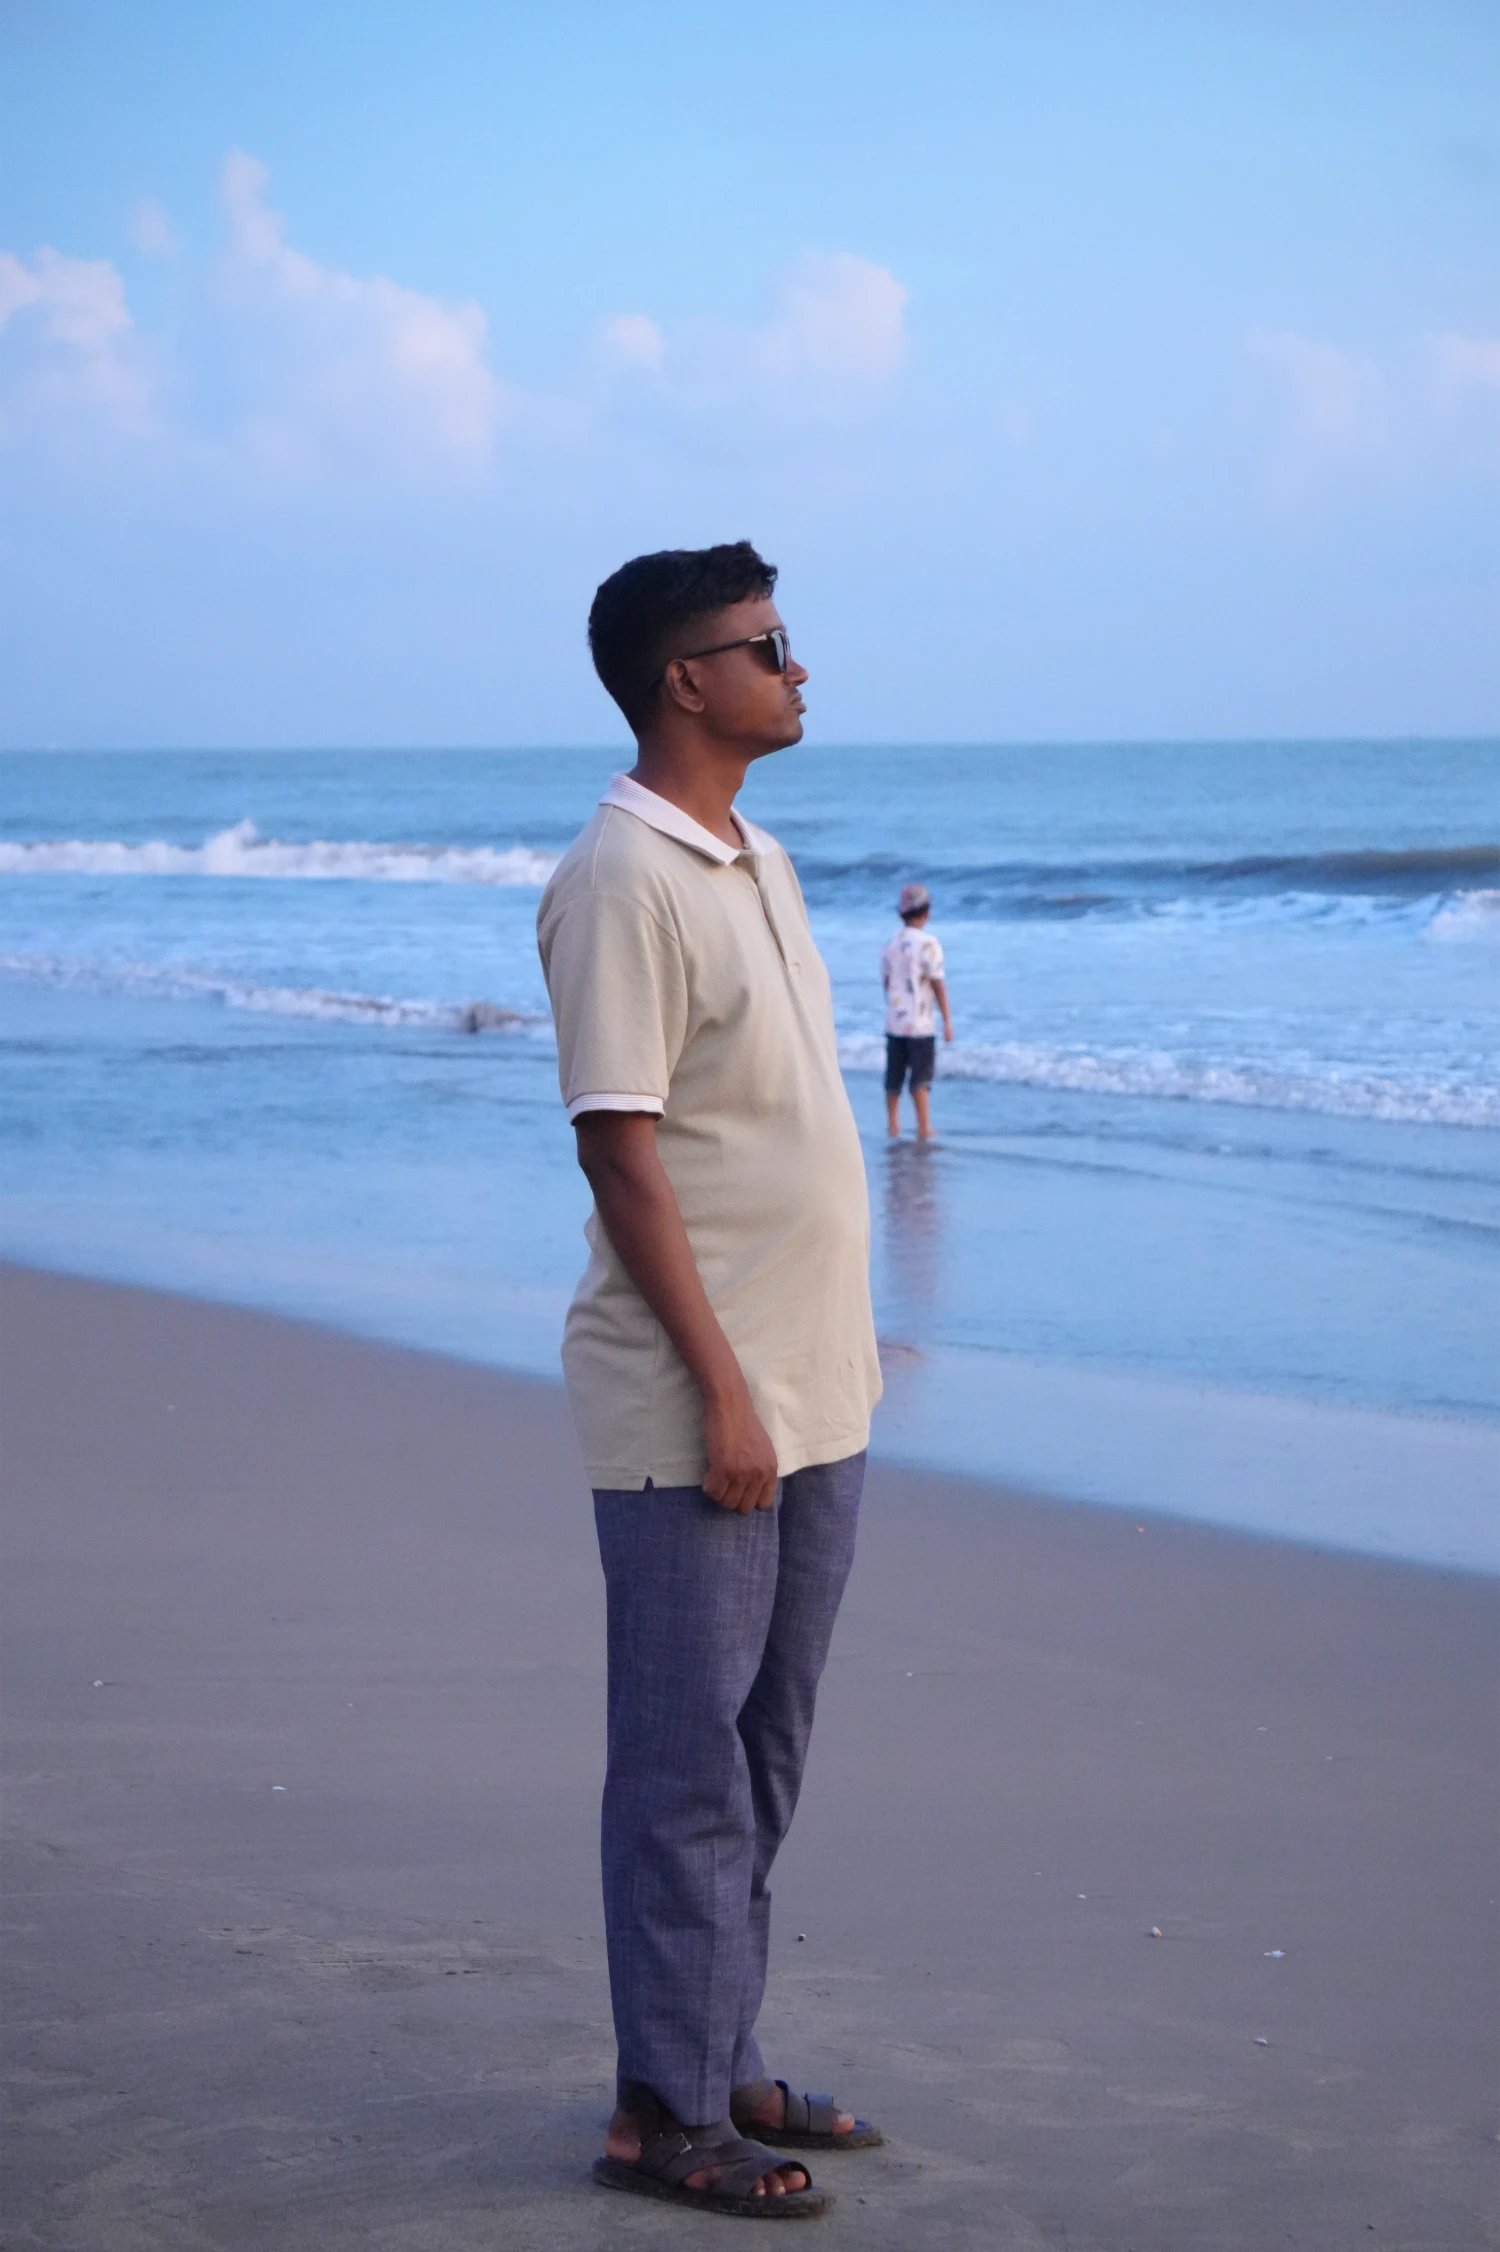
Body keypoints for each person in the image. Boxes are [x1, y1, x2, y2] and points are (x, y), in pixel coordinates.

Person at [535, 542, 885, 2219]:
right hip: (702, 1407)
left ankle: (716, 2053)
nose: (796, 668)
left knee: (764, 1753)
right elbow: (622, 1155)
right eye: (767, 645)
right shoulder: (624, 877)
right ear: (687, 679)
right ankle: (663, 2114)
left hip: (816, 1391)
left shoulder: (757, 856)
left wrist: (822, 1366)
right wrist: (728, 1393)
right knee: (685, 1767)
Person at [881, 882, 952, 1139]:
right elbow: (937, 984)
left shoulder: (891, 943)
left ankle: (893, 1124)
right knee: (920, 1078)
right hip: (920, 1022)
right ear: (926, 912)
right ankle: (924, 1126)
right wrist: (947, 1019)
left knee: (894, 1077)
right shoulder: (929, 943)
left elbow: (886, 982)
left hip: (895, 1020)